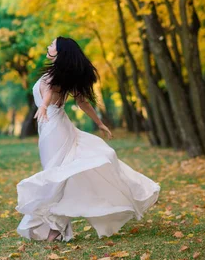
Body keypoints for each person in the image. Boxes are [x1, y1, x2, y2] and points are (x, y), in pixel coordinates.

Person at [15, 37, 160, 242]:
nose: (48, 47)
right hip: (53, 125)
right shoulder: (60, 74)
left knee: (58, 176)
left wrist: (44, 106)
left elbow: (53, 92)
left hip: (54, 127)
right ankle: (56, 226)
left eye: (52, 45)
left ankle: (55, 228)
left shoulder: (55, 76)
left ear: (60, 51)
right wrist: (97, 122)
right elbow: (79, 100)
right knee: (59, 175)